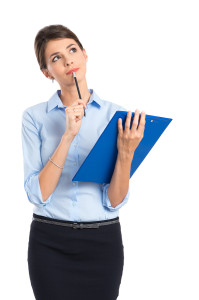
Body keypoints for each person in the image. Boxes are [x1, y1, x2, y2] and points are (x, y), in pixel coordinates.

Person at [21, 24, 146, 300]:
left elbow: (114, 201)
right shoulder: (34, 118)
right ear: (46, 72)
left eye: (72, 50)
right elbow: (38, 194)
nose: (68, 61)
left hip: (103, 242)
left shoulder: (118, 117)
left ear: (85, 55)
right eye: (55, 58)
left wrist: (126, 153)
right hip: (49, 243)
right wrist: (68, 136)